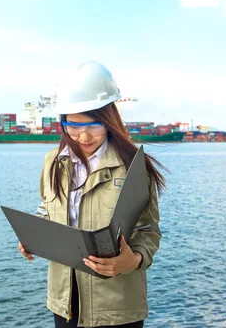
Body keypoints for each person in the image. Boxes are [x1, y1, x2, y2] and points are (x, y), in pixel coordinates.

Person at [18, 61, 167, 328]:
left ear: (110, 121)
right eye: (73, 126)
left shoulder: (134, 166)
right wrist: (32, 236)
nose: (83, 136)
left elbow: (149, 229)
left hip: (118, 307)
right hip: (64, 307)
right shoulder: (52, 162)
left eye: (94, 126)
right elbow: (46, 208)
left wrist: (132, 260)